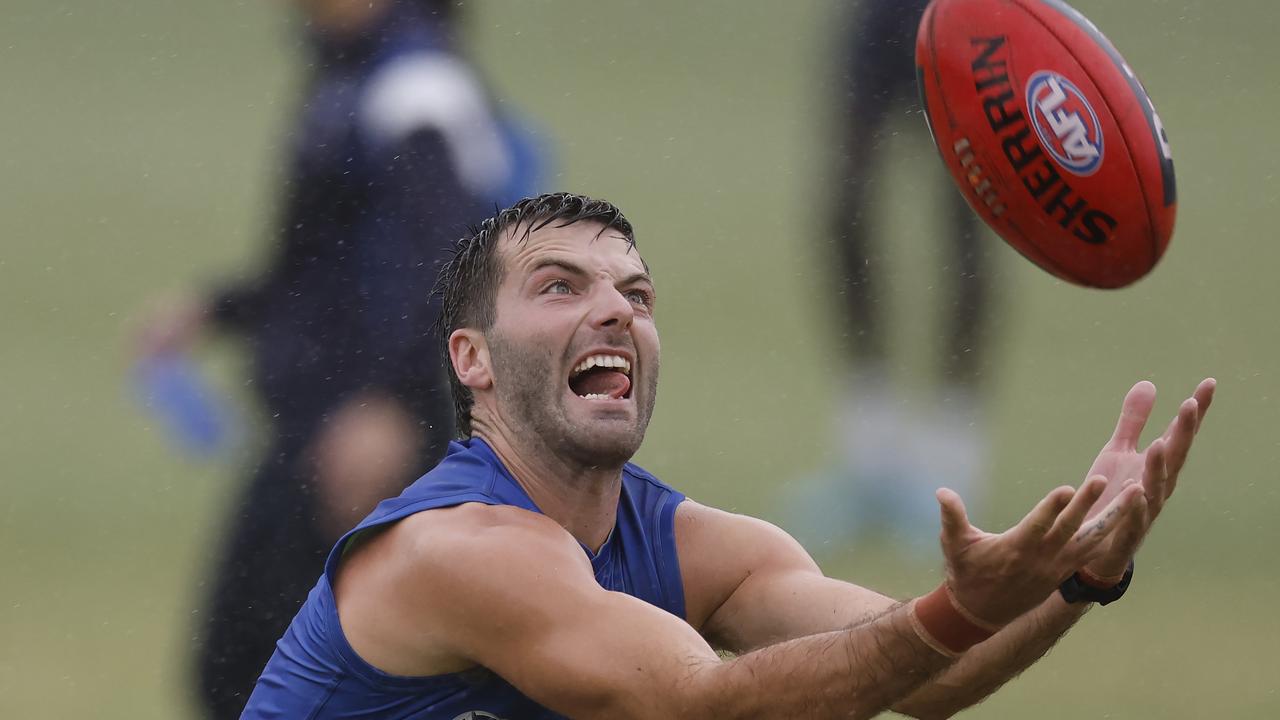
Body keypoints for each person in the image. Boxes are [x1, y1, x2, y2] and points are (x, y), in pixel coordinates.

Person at [240, 192, 1215, 719]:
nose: (614, 309)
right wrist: (962, 605)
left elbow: (931, 675)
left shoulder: (694, 546)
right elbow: (700, 704)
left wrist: (1079, 573)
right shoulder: (461, 551)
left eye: (635, 293)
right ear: (474, 362)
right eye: (558, 286)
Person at [136, 1, 545, 716]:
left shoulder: (417, 86)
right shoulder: (351, 72)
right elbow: (327, 256)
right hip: (321, 419)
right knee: (241, 659)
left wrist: (388, 404)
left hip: (371, 428)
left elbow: (451, 259)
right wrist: (220, 307)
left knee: (299, 671)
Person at [794, 0, 995, 549]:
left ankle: (954, 460)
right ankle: (872, 453)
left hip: (975, 19)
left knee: (974, 209)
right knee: (845, 204)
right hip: (883, 14)